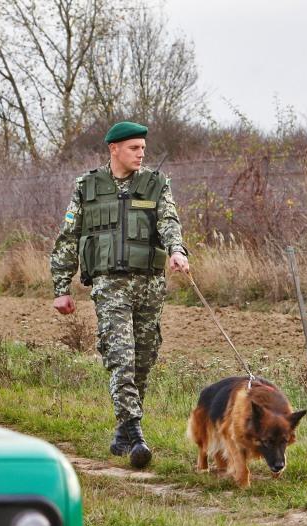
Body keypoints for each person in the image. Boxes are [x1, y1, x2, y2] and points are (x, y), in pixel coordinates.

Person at [49, 121, 190, 469]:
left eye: (143, 148)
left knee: (144, 358)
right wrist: (60, 287)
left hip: (149, 284)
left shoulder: (156, 183)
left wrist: (177, 250)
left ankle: (122, 433)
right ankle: (135, 432)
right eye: (133, 148)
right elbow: (69, 236)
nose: (141, 154)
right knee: (121, 356)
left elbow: (169, 220)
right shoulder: (88, 186)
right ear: (114, 149)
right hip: (109, 285)